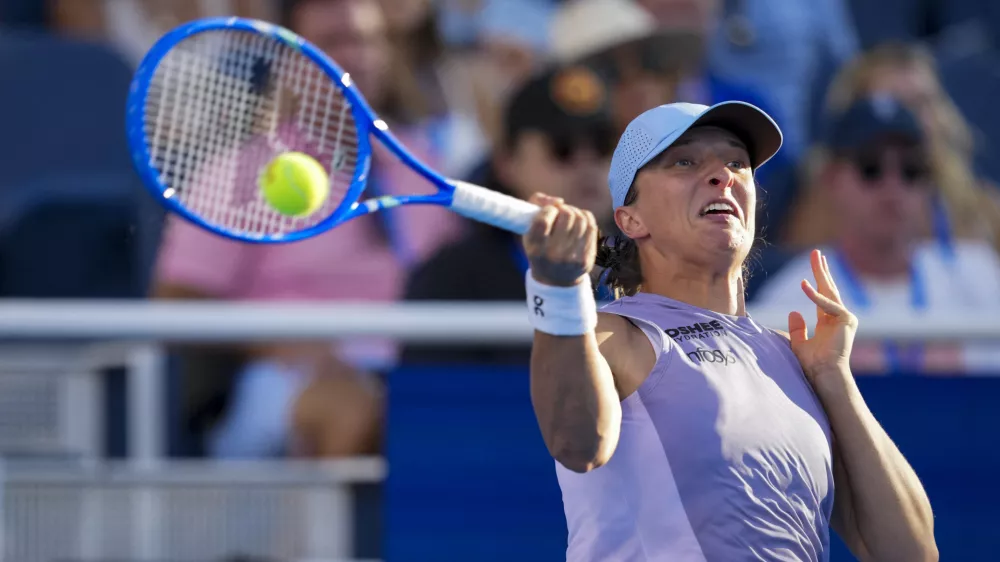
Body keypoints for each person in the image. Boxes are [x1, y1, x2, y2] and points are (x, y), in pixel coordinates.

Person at [523, 101, 937, 560]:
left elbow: (911, 553)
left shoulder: (796, 358)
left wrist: (834, 379)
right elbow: (578, 445)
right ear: (630, 218)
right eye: (685, 161)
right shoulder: (610, 334)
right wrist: (559, 289)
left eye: (737, 163)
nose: (723, 175)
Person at [155, 0, 463, 458]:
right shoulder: (241, 170)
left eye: (367, 41)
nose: (355, 58)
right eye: (334, 43)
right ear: (291, 64)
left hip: (412, 378)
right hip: (283, 383)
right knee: (352, 411)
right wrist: (285, 344)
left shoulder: (421, 163)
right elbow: (176, 303)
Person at [754, 95, 1000, 374]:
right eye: (871, 167)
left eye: (911, 169)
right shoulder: (788, 302)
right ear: (831, 179)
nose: (892, 187)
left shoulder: (981, 276)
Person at [401, 63, 615, 365]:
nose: (587, 163)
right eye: (562, 148)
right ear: (506, 163)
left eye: (603, 145)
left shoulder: (658, 265)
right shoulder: (448, 278)